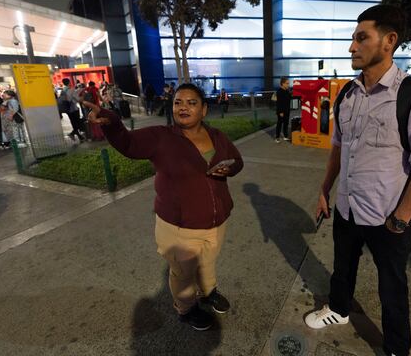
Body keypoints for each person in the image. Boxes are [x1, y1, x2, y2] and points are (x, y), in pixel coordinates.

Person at [304, 5, 411, 356]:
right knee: (342, 266)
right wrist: (324, 189)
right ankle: (338, 309)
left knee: (392, 286)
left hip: (388, 216)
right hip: (348, 207)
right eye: (353, 38)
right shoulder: (347, 95)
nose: (352, 46)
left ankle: (396, 346)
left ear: (389, 41)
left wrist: (401, 219)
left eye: (361, 37)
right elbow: (339, 147)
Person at [84, 83, 243, 331]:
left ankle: (209, 292)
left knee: (209, 262)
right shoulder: (160, 137)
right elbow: (127, 144)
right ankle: (186, 309)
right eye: (178, 102)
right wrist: (111, 121)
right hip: (179, 227)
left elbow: (237, 160)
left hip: (217, 220)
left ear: (204, 110)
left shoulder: (217, 136)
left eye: (191, 103)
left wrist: (230, 168)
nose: (183, 107)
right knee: (183, 274)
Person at [275, 77, 291, 143]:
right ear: (283, 84)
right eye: (287, 83)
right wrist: (280, 112)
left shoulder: (287, 91)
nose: (288, 85)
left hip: (287, 110)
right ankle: (277, 137)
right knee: (279, 124)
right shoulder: (279, 92)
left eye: (288, 83)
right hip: (281, 111)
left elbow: (290, 97)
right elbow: (278, 103)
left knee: (286, 123)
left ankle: (285, 136)